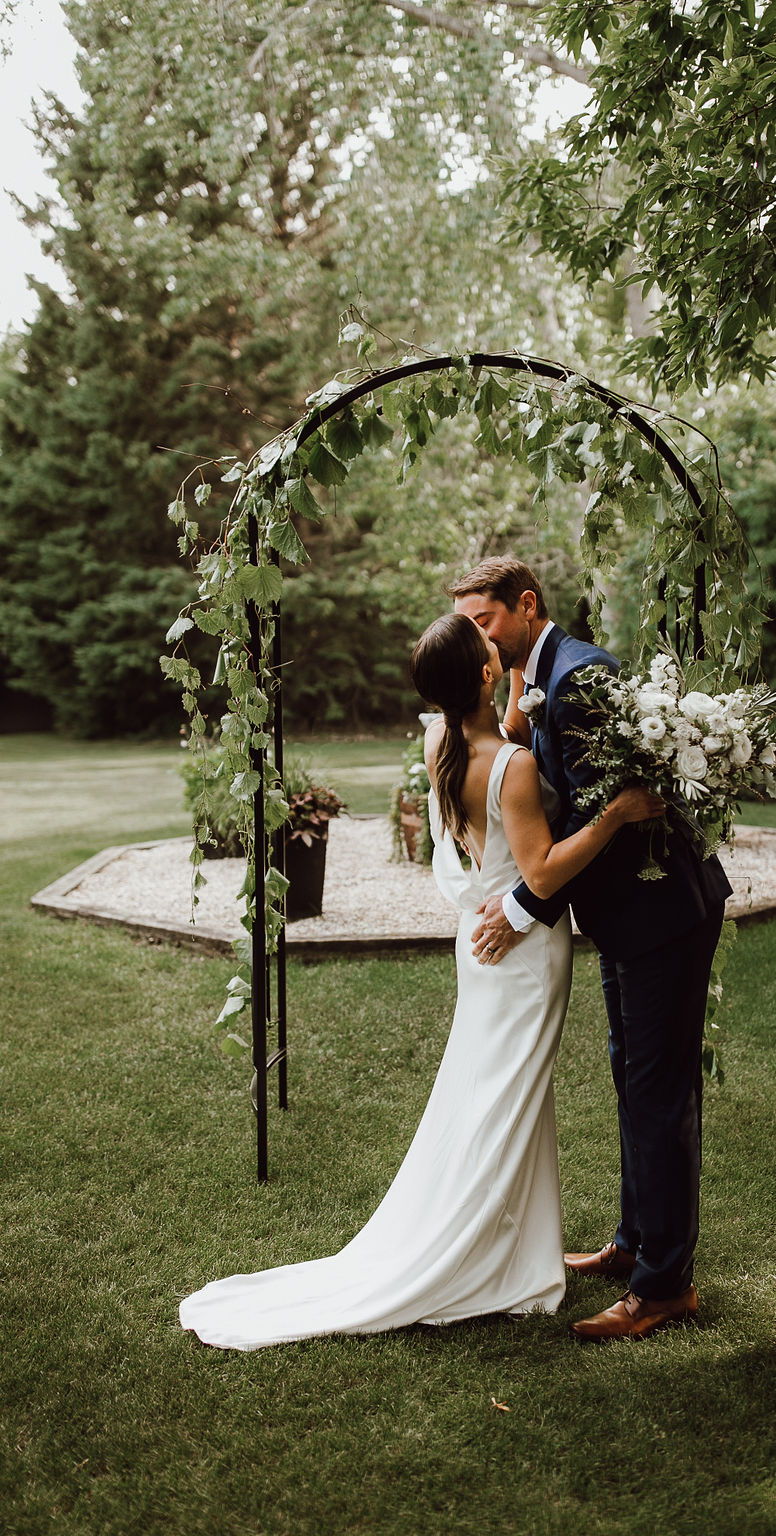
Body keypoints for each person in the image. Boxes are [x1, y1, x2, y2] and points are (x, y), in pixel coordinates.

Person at [178, 612, 661, 1350]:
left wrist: (511, 692)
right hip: (525, 954)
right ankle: (482, 1255)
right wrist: (614, 816)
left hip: (480, 944)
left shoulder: (440, 742)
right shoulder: (514, 767)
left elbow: (490, 762)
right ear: (483, 675)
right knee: (509, 1100)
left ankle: (517, 1253)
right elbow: (539, 872)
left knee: (494, 1094)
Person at [449, 556, 733, 1341]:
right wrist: (511, 689)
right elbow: (560, 784)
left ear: (526, 605)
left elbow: (592, 818)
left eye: (486, 619)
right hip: (626, 918)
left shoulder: (577, 680)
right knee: (632, 1076)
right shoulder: (544, 675)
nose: (481, 634)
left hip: (661, 911)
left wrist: (524, 904)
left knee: (658, 1090)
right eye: (471, 623)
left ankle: (663, 1286)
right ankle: (634, 1242)